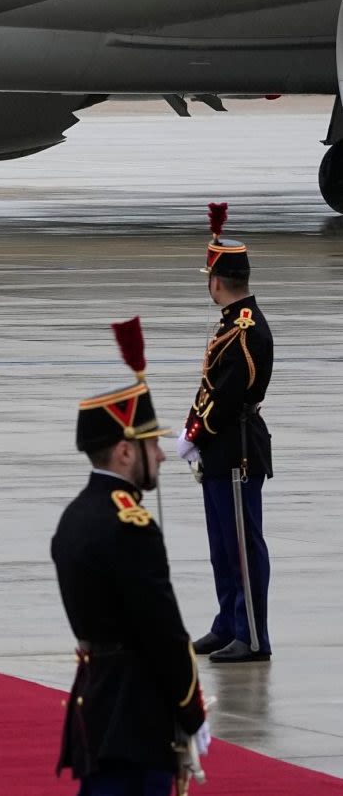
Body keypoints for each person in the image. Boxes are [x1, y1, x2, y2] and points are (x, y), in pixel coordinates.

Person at [54, 317, 211, 794]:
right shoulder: (131, 526)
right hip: (137, 717)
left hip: (98, 709)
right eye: (151, 444)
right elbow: (163, 631)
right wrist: (190, 711)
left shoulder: (75, 518)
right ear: (124, 452)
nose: (161, 455)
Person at [180, 203, 274, 664]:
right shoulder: (231, 323)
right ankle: (228, 623)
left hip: (236, 447)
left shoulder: (245, 329)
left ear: (216, 281)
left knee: (242, 544)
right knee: (222, 544)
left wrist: (195, 431)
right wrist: (194, 431)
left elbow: (228, 392)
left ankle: (253, 636)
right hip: (220, 447)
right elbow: (211, 385)